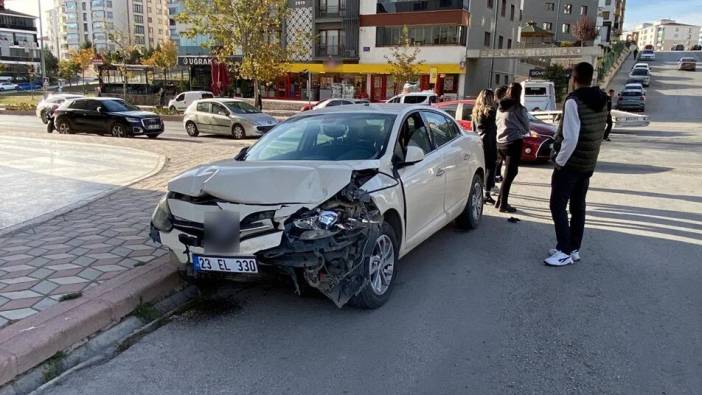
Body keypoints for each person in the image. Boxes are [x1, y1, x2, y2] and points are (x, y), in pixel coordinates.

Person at [545, 62, 608, 267]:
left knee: (557, 206)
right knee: (578, 206)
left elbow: (570, 138)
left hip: (571, 164)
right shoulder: (603, 99)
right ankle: (573, 248)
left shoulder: (573, 101)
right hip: (587, 163)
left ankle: (563, 250)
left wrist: (559, 162)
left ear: (574, 78)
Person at [495, 83, 530, 213]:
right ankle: (503, 204)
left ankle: (500, 200)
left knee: (510, 173)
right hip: (513, 143)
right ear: (519, 93)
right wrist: (517, 128)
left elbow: (497, 123)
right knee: (510, 174)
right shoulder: (518, 108)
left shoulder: (500, 107)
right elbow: (526, 127)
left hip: (500, 143)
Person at [472, 89, 498, 204]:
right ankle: (487, 193)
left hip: (478, 140)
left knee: (481, 166)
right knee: (490, 166)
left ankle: (480, 191)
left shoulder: (476, 110)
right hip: (489, 140)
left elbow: (473, 128)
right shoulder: (491, 111)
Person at [493, 85, 509, 183]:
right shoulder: (497, 107)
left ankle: (497, 175)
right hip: (496, 136)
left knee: (498, 159)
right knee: (496, 159)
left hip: (498, 136)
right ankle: (494, 178)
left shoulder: (500, 105)